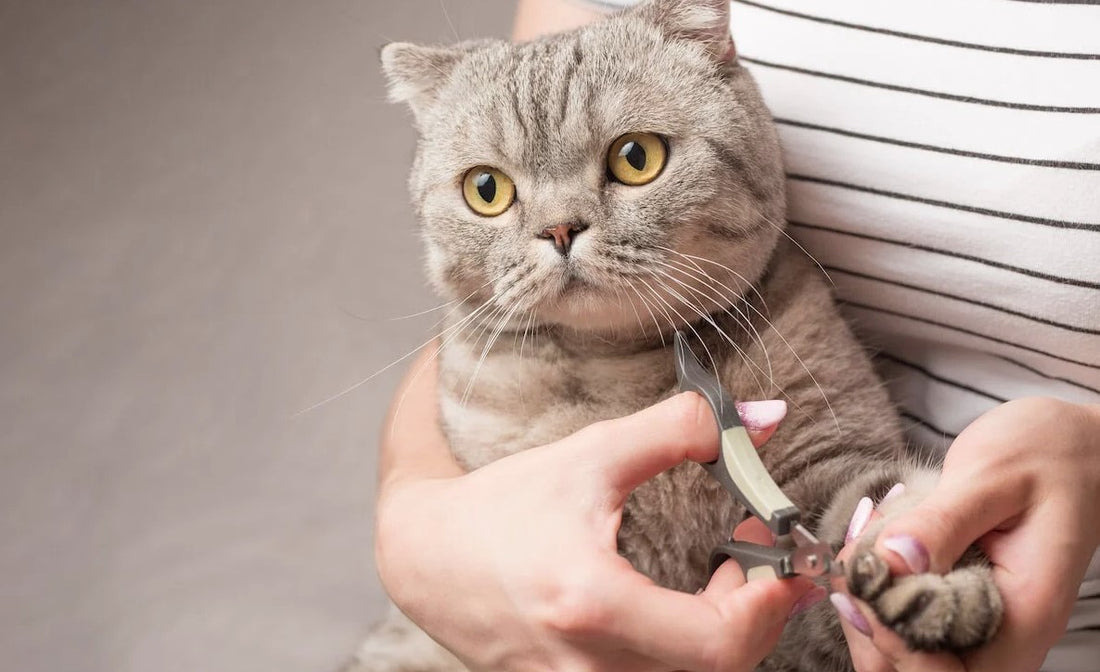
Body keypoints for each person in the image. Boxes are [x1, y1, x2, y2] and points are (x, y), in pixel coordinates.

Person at [374, 1, 1100, 670]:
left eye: (635, 158)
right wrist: (412, 521)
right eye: (489, 191)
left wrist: (909, 558)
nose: (557, 228)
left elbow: (841, 512)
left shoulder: (782, 323)